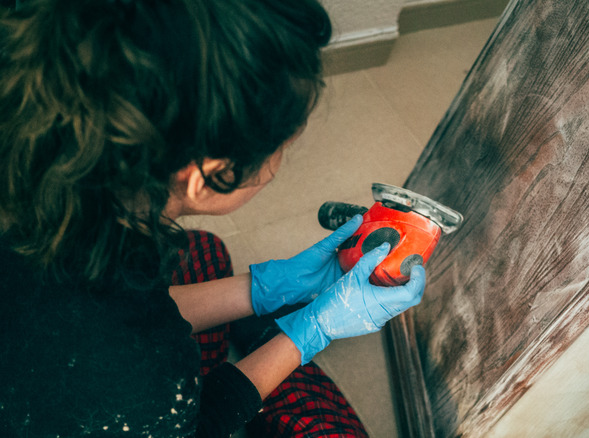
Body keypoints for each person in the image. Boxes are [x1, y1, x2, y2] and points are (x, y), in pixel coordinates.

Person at [0, 0, 426, 437]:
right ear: (208, 177)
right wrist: (309, 332)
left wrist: (265, 289)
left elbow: (114, 307)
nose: (280, 158)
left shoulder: (40, 158)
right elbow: (194, 423)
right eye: (282, 145)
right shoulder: (132, 380)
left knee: (202, 253)